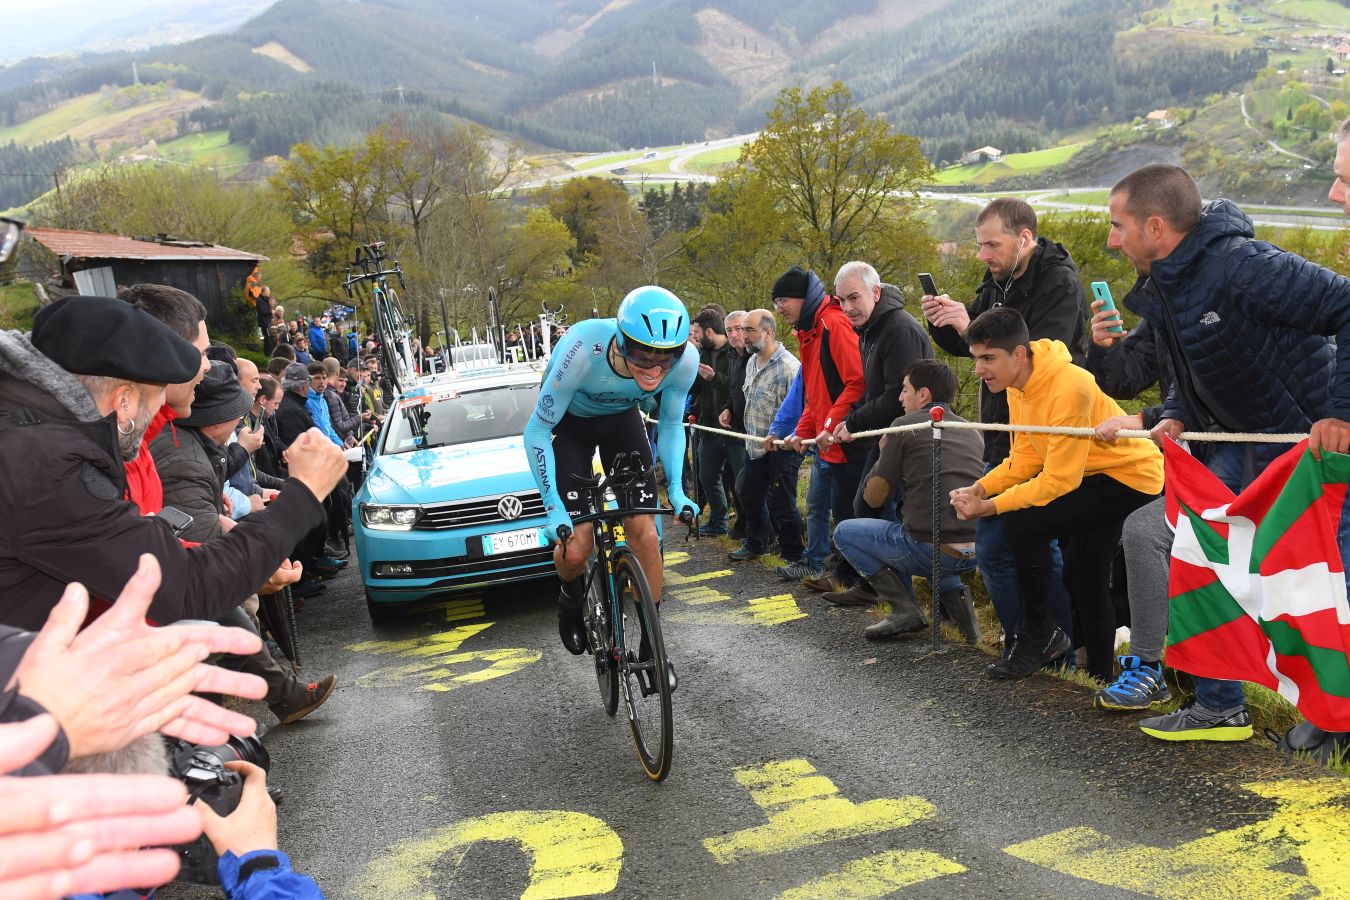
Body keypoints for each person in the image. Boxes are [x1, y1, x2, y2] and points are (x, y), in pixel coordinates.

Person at [1098, 162, 1350, 743]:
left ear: (1156, 227)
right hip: (1243, 444)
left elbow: (1345, 306)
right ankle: (1220, 707)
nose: (1112, 239)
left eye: (1119, 226)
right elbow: (1182, 369)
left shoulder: (1242, 264)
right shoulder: (1167, 280)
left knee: (1325, 578)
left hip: (1306, 447)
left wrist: (1340, 413)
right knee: (1184, 543)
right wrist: (1179, 411)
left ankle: (1331, 716)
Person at [0, 297, 347, 631]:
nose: (160, 409)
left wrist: (248, 557)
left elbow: (134, 552)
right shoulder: (49, 468)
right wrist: (302, 494)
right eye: (156, 399)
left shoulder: (44, 439)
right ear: (123, 402)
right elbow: (184, 587)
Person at [949, 308, 1162, 681]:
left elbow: (1058, 481)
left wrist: (990, 506)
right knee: (1084, 575)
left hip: (1131, 476)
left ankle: (1040, 635)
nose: (979, 370)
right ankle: (1098, 677)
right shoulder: (1018, 385)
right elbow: (1024, 459)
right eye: (976, 359)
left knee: (1025, 525)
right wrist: (980, 487)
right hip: (1092, 473)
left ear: (1018, 353)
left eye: (987, 358)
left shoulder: (1068, 386)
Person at [921, 196, 1089, 654]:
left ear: (1024, 239)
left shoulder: (1058, 282)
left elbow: (1037, 353)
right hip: (1002, 430)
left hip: (1046, 431)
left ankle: (1046, 642)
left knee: (1014, 545)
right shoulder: (998, 278)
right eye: (979, 245)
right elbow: (972, 348)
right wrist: (944, 322)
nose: (983, 255)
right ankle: (1035, 640)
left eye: (992, 244)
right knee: (1010, 547)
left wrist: (969, 321)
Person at [522, 286, 699, 687]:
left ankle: (653, 648)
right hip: (569, 427)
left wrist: (677, 489)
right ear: (620, 340)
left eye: (664, 358)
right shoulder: (583, 347)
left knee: (645, 536)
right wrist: (553, 507)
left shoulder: (686, 361)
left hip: (623, 422)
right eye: (640, 355)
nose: (654, 369)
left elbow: (670, 425)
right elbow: (536, 430)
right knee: (577, 545)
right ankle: (570, 597)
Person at [832, 360, 984, 640]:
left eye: (905, 390)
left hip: (929, 551)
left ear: (923, 394)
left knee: (844, 533)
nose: (900, 398)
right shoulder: (972, 429)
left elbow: (874, 498)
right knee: (936, 537)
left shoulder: (903, 426)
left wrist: (882, 456)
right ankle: (968, 627)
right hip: (976, 550)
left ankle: (904, 610)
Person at [821, 260, 933, 606]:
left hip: (910, 438)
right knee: (866, 505)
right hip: (886, 435)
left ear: (876, 292)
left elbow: (897, 398)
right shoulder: (869, 329)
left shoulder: (898, 329)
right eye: (842, 301)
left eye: (854, 298)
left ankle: (905, 600)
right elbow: (875, 393)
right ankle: (883, 591)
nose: (849, 308)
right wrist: (850, 420)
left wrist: (853, 423)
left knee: (880, 508)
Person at [771, 265, 866, 591]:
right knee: (816, 505)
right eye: (775, 303)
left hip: (846, 441)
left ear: (802, 297)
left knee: (846, 514)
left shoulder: (834, 325)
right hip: (826, 443)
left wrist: (827, 426)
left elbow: (857, 382)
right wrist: (802, 429)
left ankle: (852, 577)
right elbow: (815, 392)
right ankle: (817, 563)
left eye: (783, 300)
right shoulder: (810, 332)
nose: (779, 309)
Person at [731, 310, 803, 564]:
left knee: (782, 503)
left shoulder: (790, 368)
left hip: (782, 449)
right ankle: (757, 542)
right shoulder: (751, 362)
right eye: (742, 330)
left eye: (749, 330)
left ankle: (793, 555)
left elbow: (801, 413)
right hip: (755, 445)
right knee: (747, 492)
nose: (743, 336)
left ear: (768, 332)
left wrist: (788, 440)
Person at [691, 308, 738, 535]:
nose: (696, 337)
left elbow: (738, 388)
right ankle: (718, 522)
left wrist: (714, 378)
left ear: (709, 331)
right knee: (707, 477)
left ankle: (747, 528)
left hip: (733, 429)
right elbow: (695, 390)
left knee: (739, 482)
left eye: (697, 332)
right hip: (707, 427)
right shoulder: (701, 355)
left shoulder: (735, 353)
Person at [719, 310, 751, 540]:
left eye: (739, 328)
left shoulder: (755, 355)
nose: (734, 334)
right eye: (729, 330)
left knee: (746, 482)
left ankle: (758, 529)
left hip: (754, 431)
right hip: (734, 427)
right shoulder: (732, 356)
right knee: (731, 478)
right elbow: (733, 389)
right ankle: (743, 521)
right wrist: (727, 408)